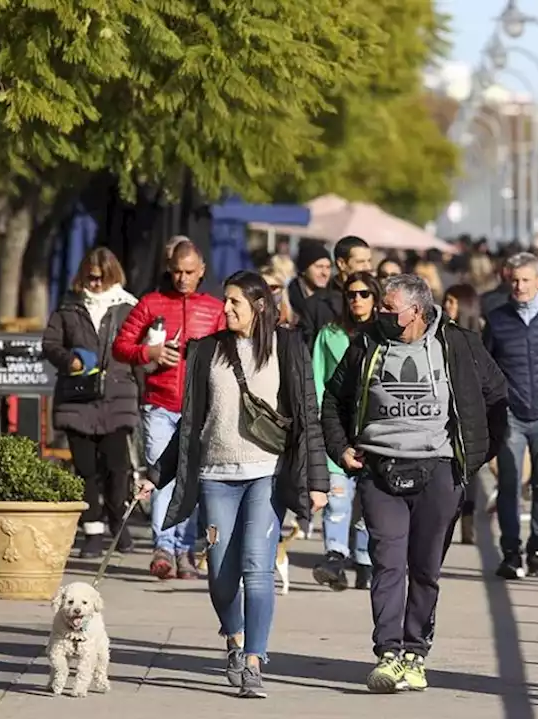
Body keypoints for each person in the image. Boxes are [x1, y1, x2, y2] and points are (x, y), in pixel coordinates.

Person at [139, 271, 329, 698]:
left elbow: (307, 421)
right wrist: (155, 475)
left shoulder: (290, 347)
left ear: (259, 305)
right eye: (225, 301)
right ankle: (234, 637)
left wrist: (317, 481)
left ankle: (254, 660)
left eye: (234, 302)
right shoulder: (207, 351)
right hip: (216, 478)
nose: (225, 309)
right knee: (222, 576)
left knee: (257, 571)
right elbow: (190, 426)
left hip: (267, 474)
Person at [320, 274, 507, 694]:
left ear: (417, 312)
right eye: (382, 307)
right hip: (379, 469)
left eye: (391, 308)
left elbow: (497, 396)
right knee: (387, 561)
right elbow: (333, 400)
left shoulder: (457, 344)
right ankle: (388, 653)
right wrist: (341, 448)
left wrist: (475, 455)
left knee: (425, 568)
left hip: (439, 471)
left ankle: (415, 654)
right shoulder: (367, 344)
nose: (382, 314)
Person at [113, 239, 226, 580]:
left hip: (200, 408)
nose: (182, 278)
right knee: (162, 478)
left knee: (191, 481)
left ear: (202, 272)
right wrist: (151, 354)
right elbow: (121, 346)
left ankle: (185, 549)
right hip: (160, 404)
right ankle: (163, 546)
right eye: (176, 271)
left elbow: (229, 353)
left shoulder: (214, 309)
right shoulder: (152, 303)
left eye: (189, 272)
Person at [43, 248, 142, 558]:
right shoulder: (68, 308)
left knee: (117, 468)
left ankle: (118, 520)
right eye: (89, 277)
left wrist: (146, 394)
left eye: (100, 278)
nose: (94, 284)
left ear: (112, 276)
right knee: (85, 470)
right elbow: (50, 343)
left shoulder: (128, 308)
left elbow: (139, 354)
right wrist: (68, 359)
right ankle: (92, 532)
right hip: (79, 398)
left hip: (118, 397)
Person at [482, 252, 538, 580]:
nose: (519, 286)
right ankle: (510, 553)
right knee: (509, 486)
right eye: (514, 280)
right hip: (511, 415)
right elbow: (486, 367)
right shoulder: (497, 319)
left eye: (525, 280)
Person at [310, 272, 379, 590]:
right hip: (336, 427)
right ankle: (335, 557)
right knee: (337, 499)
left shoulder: (384, 335)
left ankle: (365, 560)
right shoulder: (330, 334)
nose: (358, 300)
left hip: (372, 432)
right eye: (352, 294)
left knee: (368, 503)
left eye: (365, 294)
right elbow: (318, 379)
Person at [441, 283, 483, 545]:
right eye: (446, 300)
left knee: (471, 476)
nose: (447, 306)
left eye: (453, 302)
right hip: (444, 414)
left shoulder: (478, 336)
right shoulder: (437, 332)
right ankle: (448, 521)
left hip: (471, 416)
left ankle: (468, 523)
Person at [295, 235, 374, 346]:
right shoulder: (317, 304)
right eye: (361, 262)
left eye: (369, 261)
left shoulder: (377, 297)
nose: (368, 267)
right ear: (341, 264)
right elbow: (306, 350)